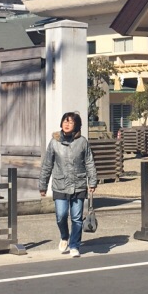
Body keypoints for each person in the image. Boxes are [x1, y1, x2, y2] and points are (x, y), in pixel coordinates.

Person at [39, 111, 98, 258]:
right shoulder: (54, 142)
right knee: (61, 215)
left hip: (78, 184)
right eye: (65, 121)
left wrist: (92, 181)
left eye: (70, 122)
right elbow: (47, 164)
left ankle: (74, 245)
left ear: (76, 125)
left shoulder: (82, 142)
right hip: (60, 184)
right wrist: (43, 184)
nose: (67, 124)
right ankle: (64, 236)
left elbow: (89, 162)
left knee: (76, 218)